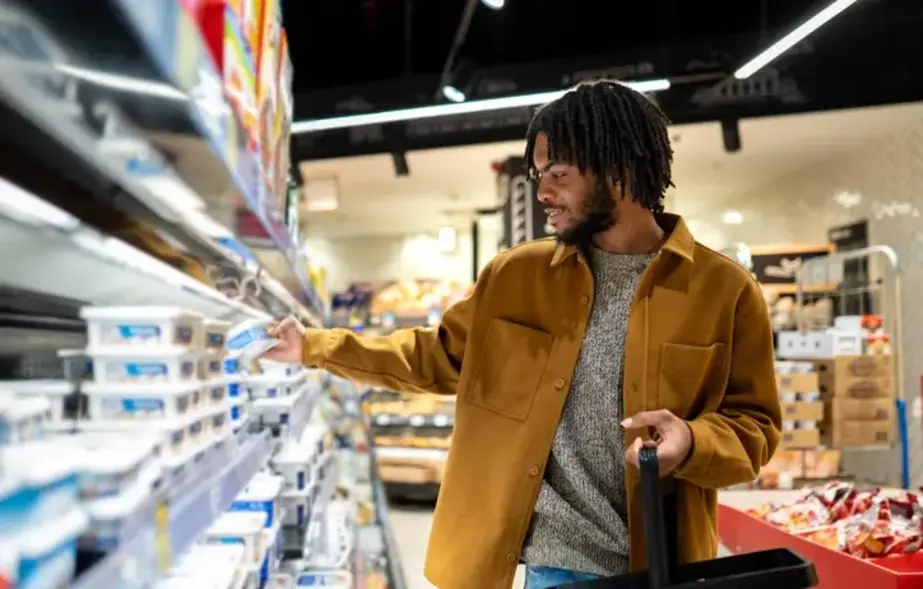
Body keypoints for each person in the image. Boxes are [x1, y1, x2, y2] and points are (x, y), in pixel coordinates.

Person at [264, 80, 782, 589]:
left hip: (664, 563)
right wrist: (313, 346)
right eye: (539, 174)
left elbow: (755, 426)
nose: (543, 193)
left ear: (619, 172)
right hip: (553, 564)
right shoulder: (515, 276)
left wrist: (693, 439)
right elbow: (436, 355)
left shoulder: (724, 290)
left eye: (558, 174)